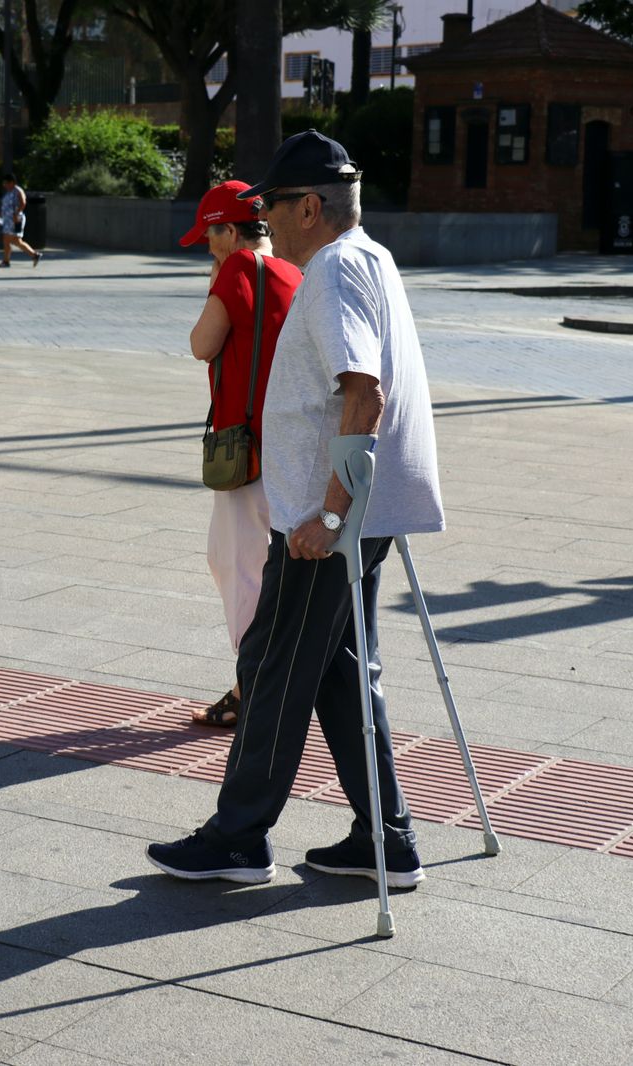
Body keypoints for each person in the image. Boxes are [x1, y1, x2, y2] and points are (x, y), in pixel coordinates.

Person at [147, 130, 444, 889]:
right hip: (359, 511)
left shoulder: (335, 269)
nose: (265, 220)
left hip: (325, 521)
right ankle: (386, 838)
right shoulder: (371, 257)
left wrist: (331, 515)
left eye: (273, 205)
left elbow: (364, 391)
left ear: (309, 206)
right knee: (341, 672)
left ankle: (238, 838)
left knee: (273, 666)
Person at [179, 180, 303, 727]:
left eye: (210, 237)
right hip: (288, 445)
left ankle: (252, 686)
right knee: (264, 566)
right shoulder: (294, 271)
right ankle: (255, 683)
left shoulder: (237, 270)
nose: (208, 248)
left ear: (230, 231)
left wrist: (218, 279)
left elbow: (201, 344)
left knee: (237, 565)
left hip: (245, 450)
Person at [0, 174, 42, 268]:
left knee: (6, 239)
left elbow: (23, 203)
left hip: (15, 219)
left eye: (6, 183)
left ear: (12, 182)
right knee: (16, 241)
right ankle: (34, 255)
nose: (4, 185)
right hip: (9, 219)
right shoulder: (9, 192)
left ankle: (6, 261)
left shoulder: (18, 190)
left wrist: (16, 214)